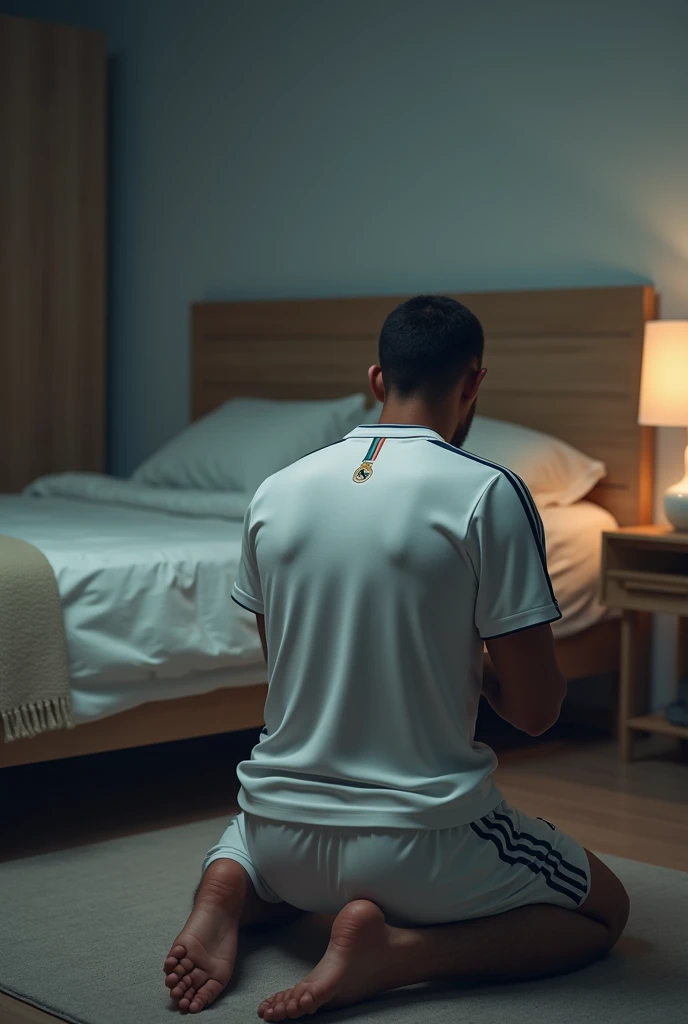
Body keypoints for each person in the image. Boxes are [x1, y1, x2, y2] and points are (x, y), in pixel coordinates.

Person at [164, 295, 629, 1019]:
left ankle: (227, 888)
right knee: (607, 913)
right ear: (473, 382)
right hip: (419, 846)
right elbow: (538, 713)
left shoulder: (275, 492)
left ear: (377, 380)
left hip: (277, 832)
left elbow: (285, 670)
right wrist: (464, 654)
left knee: (262, 823)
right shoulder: (488, 491)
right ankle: (402, 955)